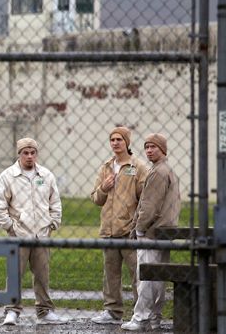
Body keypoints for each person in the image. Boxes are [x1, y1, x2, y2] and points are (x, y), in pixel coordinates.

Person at [0, 137, 68, 326]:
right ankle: (12, 311)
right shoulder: (8, 176)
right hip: (19, 236)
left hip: (42, 235)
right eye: (25, 153)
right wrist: (11, 227)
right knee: (15, 273)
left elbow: (55, 202)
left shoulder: (46, 175)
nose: (30, 156)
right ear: (19, 154)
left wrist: (53, 223)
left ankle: (44, 311)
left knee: (42, 274)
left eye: (33, 152)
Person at [121, 133, 181, 331]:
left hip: (151, 231)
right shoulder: (166, 169)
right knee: (157, 277)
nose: (148, 150)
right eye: (146, 147)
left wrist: (138, 228)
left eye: (153, 147)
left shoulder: (158, 172)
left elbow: (149, 206)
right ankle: (154, 317)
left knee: (145, 276)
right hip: (165, 230)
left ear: (162, 149)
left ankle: (141, 317)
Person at [90, 127, 147, 325]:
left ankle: (141, 312)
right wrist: (103, 188)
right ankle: (113, 311)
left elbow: (144, 198)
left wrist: (136, 224)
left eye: (119, 140)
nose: (115, 143)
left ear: (127, 142)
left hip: (129, 231)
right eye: (112, 140)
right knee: (111, 274)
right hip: (109, 230)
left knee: (137, 273)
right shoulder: (106, 167)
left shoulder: (138, 167)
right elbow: (96, 199)